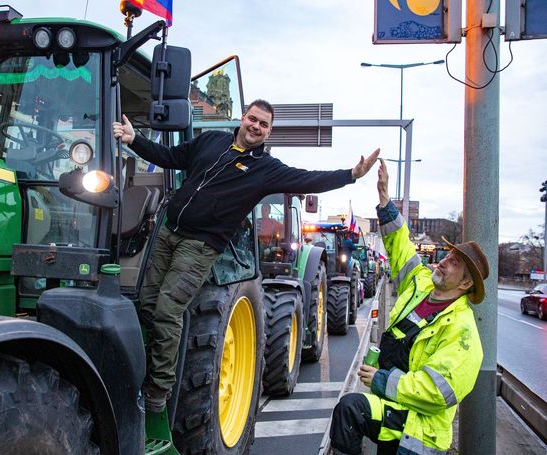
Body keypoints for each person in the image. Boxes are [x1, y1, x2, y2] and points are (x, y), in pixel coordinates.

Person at [113, 99, 380, 412]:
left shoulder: (266, 169)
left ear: (269, 132)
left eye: (264, 125)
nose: (256, 126)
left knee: (167, 311)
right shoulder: (211, 141)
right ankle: (147, 368)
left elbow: (309, 178)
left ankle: (158, 392)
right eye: (253, 119)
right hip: (168, 232)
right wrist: (136, 140)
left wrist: (351, 174)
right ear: (243, 118)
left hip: (199, 245)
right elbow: (171, 157)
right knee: (146, 303)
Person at [329, 159, 489, 455]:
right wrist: (385, 198)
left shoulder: (463, 333)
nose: (443, 262)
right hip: (393, 407)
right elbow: (400, 244)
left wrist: (381, 379)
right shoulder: (422, 283)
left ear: (466, 284)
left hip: (418, 430)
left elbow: (436, 392)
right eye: (447, 255)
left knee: (352, 409)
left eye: (454, 263)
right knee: (350, 411)